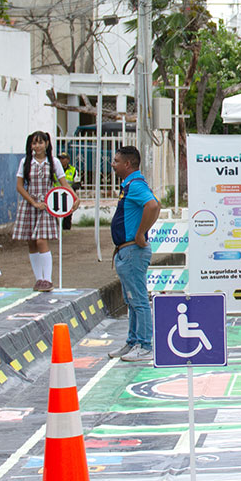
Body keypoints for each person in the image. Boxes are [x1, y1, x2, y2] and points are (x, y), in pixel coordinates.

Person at [106, 146, 160, 362]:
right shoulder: (129, 186)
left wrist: (140, 235)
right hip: (125, 251)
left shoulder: (135, 186)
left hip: (132, 251)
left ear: (127, 164)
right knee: (131, 300)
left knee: (138, 300)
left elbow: (153, 205)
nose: (113, 164)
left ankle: (145, 345)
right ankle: (133, 341)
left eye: (116, 161)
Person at [12, 131, 60, 291]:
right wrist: (33, 202)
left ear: (47, 144)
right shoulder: (25, 162)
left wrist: (74, 198)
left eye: (40, 142)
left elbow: (63, 183)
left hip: (46, 205)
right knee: (31, 242)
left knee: (41, 240)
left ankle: (48, 279)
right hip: (30, 205)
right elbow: (20, 186)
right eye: (34, 143)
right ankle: (38, 279)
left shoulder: (54, 162)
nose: (37, 146)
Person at [57, 151, 79, 233]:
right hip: (56, 194)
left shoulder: (73, 170)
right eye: (60, 158)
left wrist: (70, 189)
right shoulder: (55, 169)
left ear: (68, 160)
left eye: (63, 158)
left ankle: (66, 230)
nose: (61, 160)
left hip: (68, 194)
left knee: (68, 212)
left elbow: (78, 183)